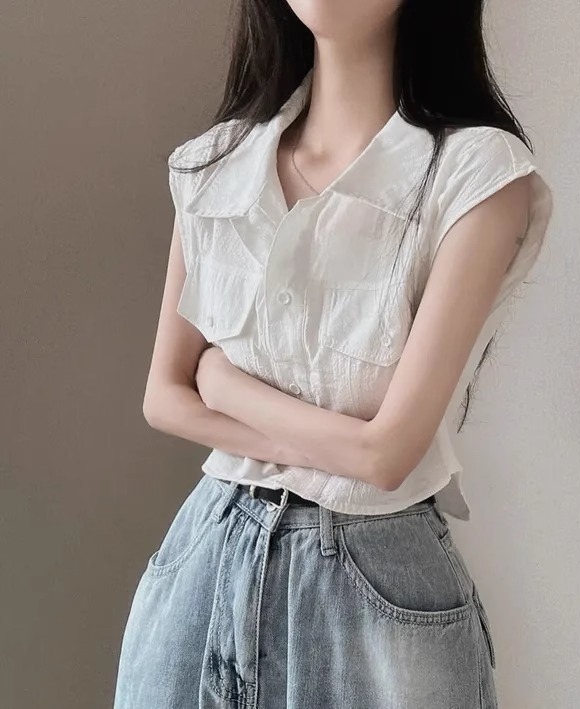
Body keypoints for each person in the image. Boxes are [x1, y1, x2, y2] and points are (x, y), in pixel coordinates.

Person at [113, 1, 553, 707]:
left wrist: (223, 385)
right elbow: (163, 398)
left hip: (375, 585)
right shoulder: (214, 163)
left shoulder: (477, 175)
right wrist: (318, 440)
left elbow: (387, 457)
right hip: (204, 560)